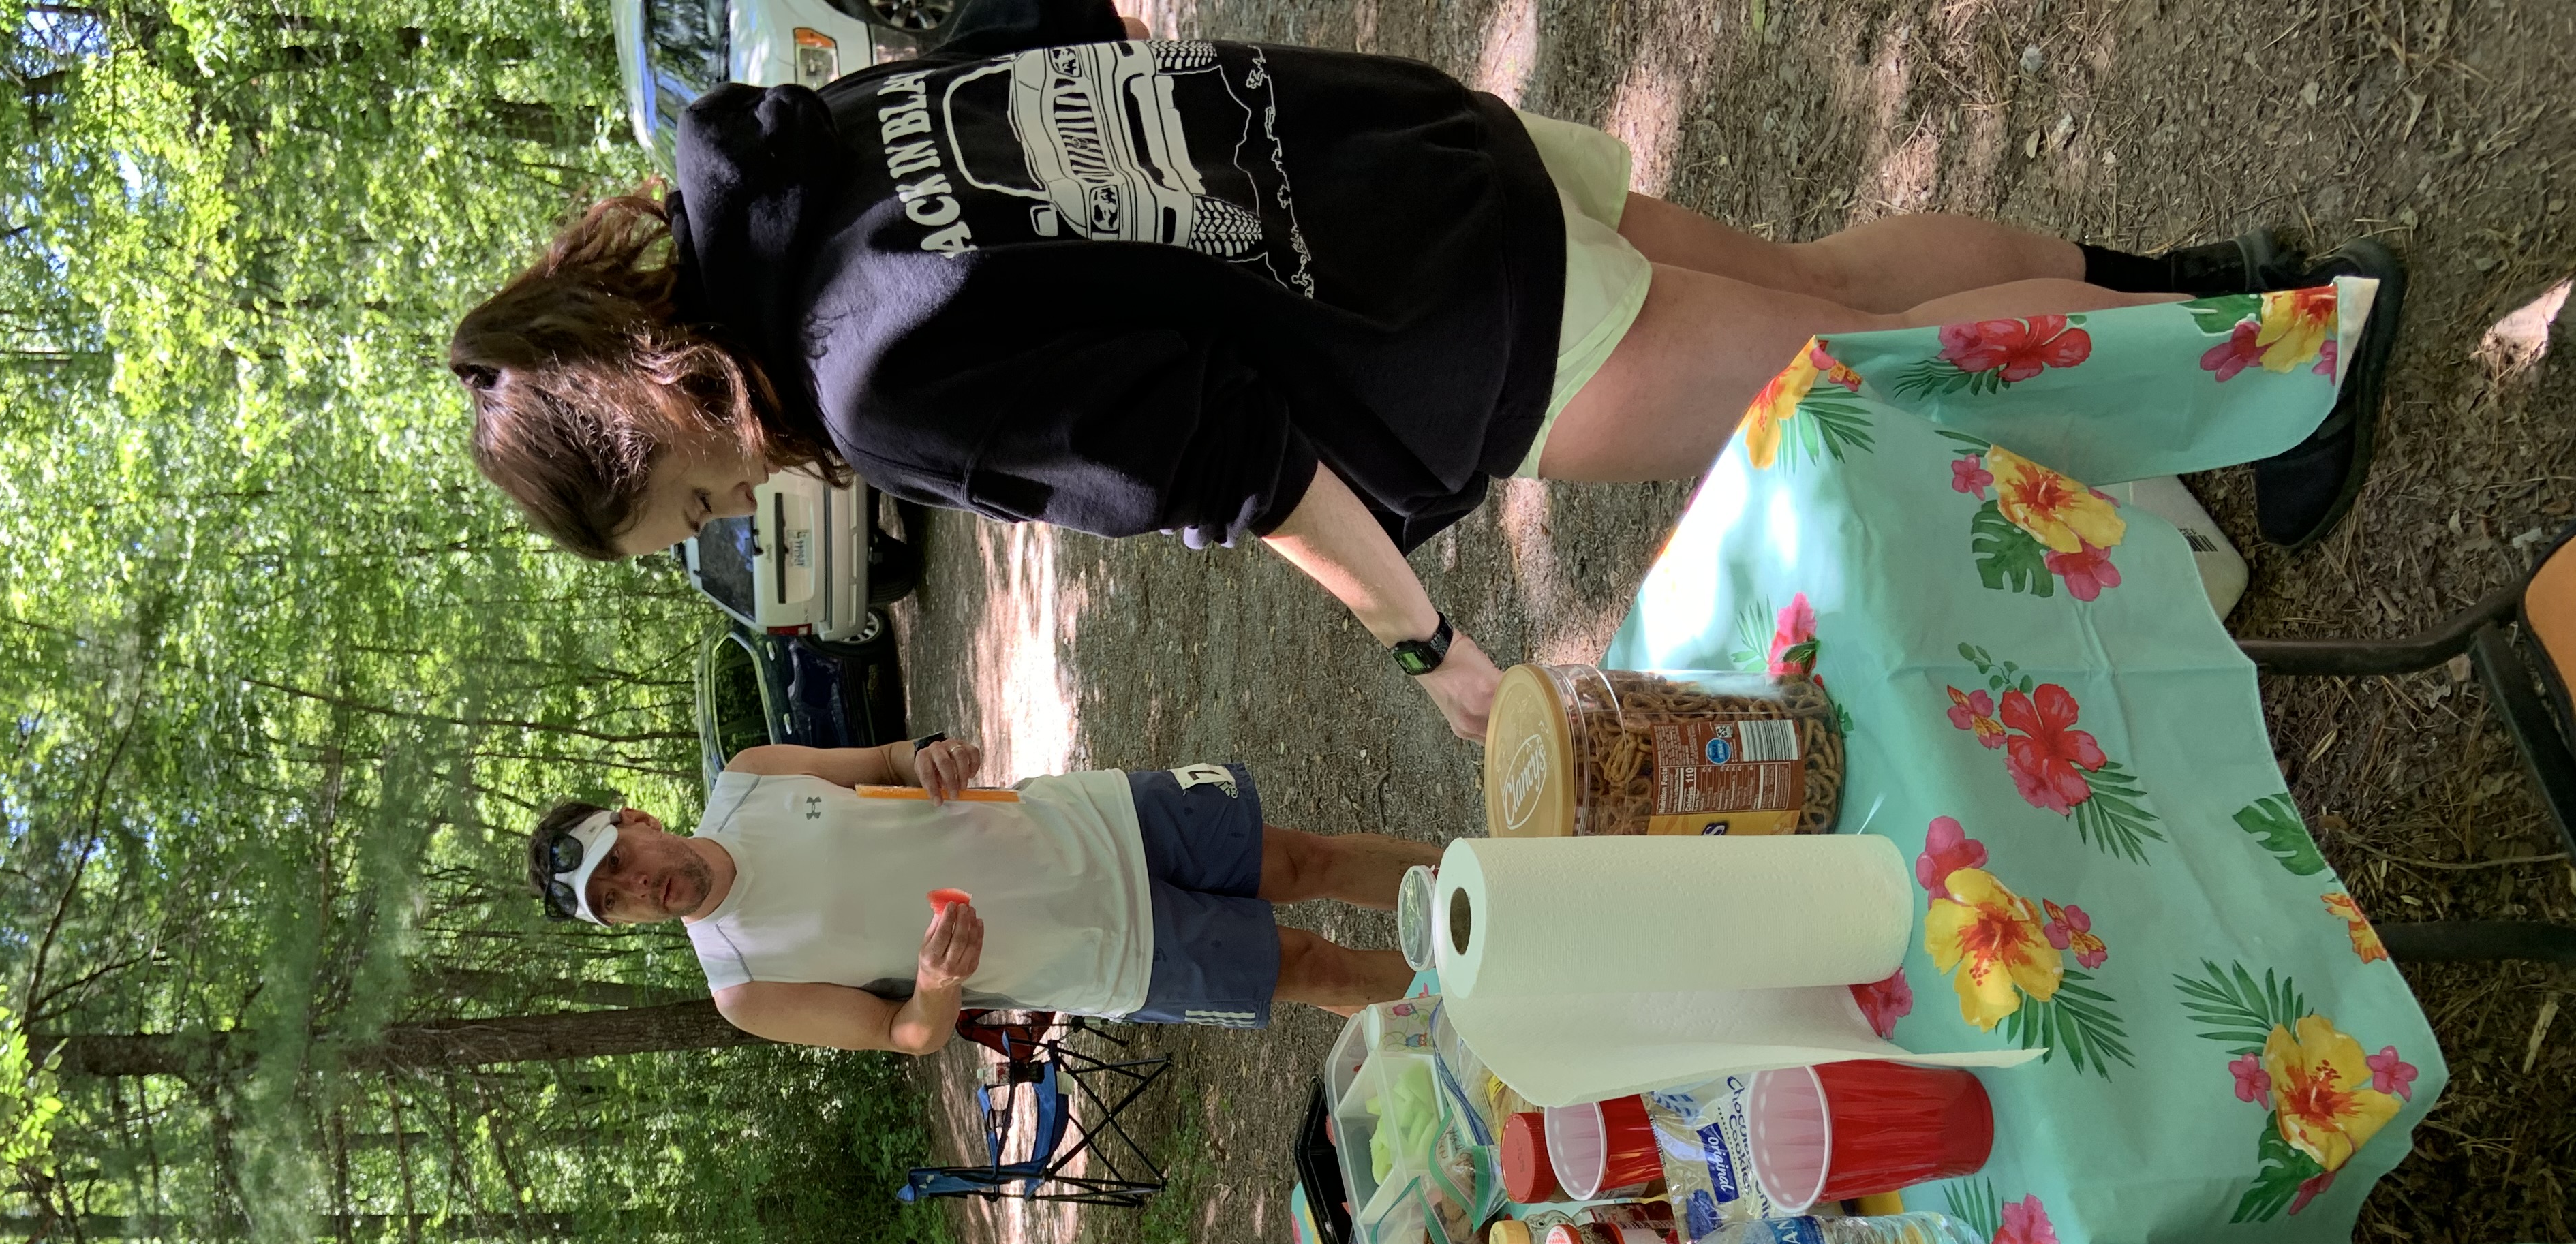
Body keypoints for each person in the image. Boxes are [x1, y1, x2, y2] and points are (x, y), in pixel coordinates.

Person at [448, 0, 2397, 740]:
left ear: (678, 395)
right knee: (1827, 291)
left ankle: (2301, 353)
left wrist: (1440, 661)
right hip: (1402, 154)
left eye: (709, 493)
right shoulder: (801, 154)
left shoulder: (874, 385)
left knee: (1870, 363)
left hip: (1450, 325)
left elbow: (1242, 467)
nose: (763, 503)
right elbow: (1058, 23)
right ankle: (2203, 287)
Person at [525, 732, 1430, 1050]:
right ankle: (1490, 993)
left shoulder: (753, 777)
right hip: (1107, 956)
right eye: (616, 902)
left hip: (1092, 819)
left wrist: (927, 755)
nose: (637, 886)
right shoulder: (741, 984)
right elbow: (901, 1035)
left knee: (1304, 861)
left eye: (618, 861)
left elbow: (888, 763)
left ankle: (1492, 883)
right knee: (1313, 968)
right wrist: (933, 990)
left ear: (635, 818)